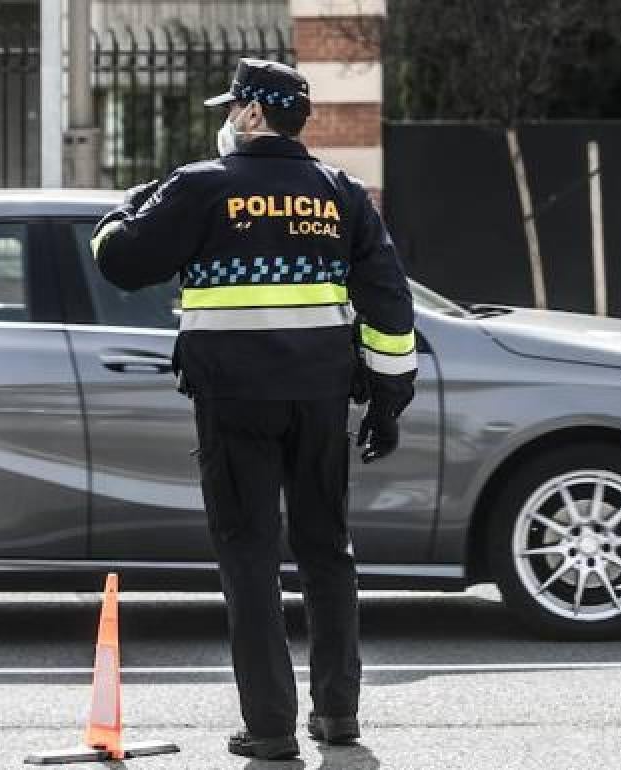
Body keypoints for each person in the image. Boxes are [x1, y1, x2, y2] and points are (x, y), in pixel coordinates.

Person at [90, 57, 417, 761]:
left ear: (251, 114)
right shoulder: (342, 193)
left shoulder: (202, 188)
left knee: (249, 556)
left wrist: (128, 204)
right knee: (328, 553)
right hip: (322, 399)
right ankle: (338, 716)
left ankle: (269, 728)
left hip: (234, 400)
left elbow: (119, 260)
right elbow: (389, 303)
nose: (225, 120)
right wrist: (389, 400)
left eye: (230, 107)